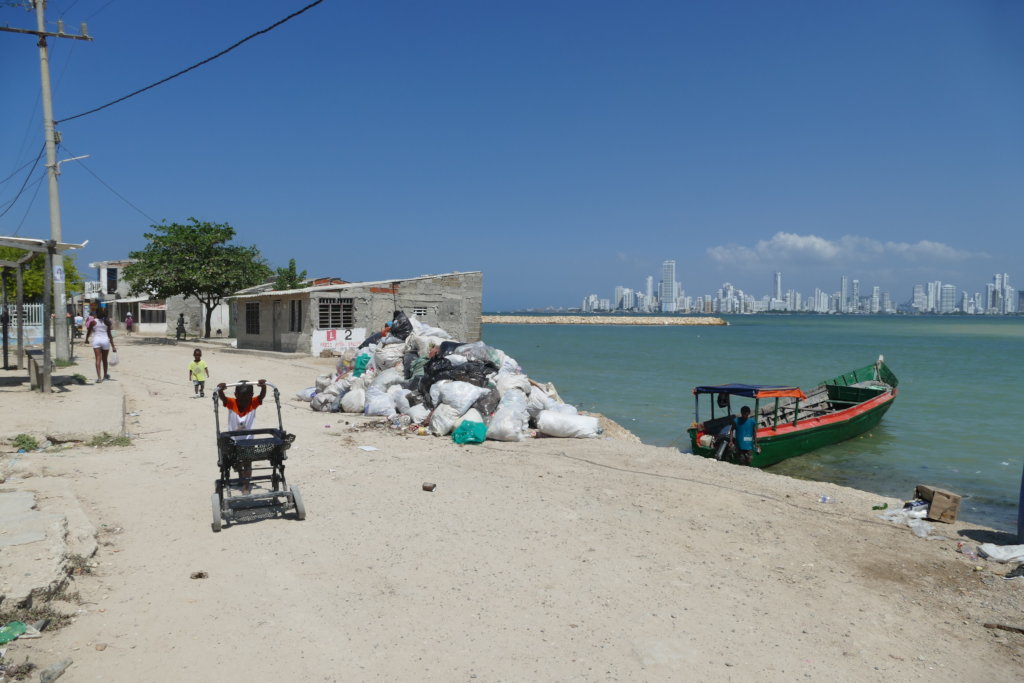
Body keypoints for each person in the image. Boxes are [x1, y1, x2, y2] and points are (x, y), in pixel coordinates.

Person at [216, 379, 267, 494]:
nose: (244, 401)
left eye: (247, 398)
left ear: (251, 396)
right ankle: (240, 476)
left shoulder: (253, 403)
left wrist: (263, 387)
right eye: (241, 398)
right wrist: (221, 390)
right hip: (233, 440)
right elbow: (223, 399)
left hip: (248, 440)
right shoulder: (232, 403)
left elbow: (261, 397)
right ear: (236, 395)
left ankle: (246, 484)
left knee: (247, 462)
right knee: (238, 461)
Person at [84, 306, 117, 383]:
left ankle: (99, 378)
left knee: (98, 359)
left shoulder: (93, 322)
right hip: (105, 341)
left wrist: (86, 339)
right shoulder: (107, 322)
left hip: (96, 341)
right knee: (104, 360)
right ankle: (105, 375)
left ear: (96, 313)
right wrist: (113, 346)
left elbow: (89, 332)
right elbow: (110, 335)